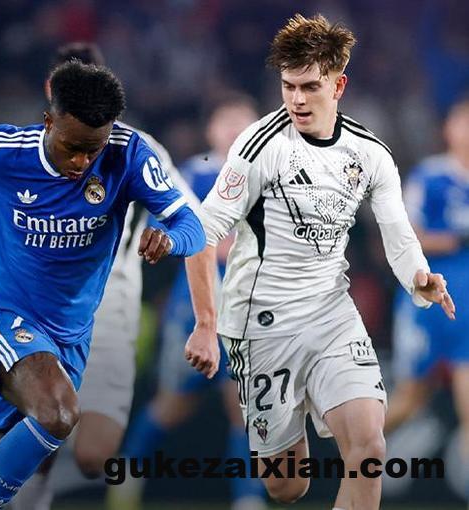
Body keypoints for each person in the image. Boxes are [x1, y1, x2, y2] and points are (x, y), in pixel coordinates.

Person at [0, 61, 205, 509]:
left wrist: (171, 239)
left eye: (92, 150)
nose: (81, 162)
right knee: (59, 414)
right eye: (72, 147)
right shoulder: (3, 149)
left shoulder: (129, 154)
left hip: (70, 330)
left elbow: (192, 225)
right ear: (48, 121)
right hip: (1, 305)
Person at [183, 14, 455, 510]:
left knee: (369, 447)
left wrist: (419, 277)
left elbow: (398, 233)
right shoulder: (259, 146)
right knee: (287, 485)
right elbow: (199, 235)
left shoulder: (370, 153)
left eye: (310, 86)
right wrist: (205, 324)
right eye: (288, 86)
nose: (297, 99)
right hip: (263, 324)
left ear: (339, 85)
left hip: (332, 315)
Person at [12, 42, 200, 510]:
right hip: (39, 307)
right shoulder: (20, 149)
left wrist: (170, 236)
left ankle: (18, 459)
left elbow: (192, 218)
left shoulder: (138, 148)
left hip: (111, 307)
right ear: (51, 91)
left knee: (95, 455)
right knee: (43, 433)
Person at [109, 95, 266, 510]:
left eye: (243, 121)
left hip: (251, 309)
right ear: (210, 130)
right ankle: (127, 478)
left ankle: (248, 498)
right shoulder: (195, 174)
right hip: (195, 308)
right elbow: (173, 231)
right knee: (172, 406)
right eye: (225, 120)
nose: (234, 129)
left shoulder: (269, 176)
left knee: (244, 406)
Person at [386, 96, 469, 501]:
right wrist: (455, 239)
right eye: (463, 121)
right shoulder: (430, 176)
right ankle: (346, 452)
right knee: (409, 401)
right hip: (428, 308)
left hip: (468, 313)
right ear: (447, 128)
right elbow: (404, 235)